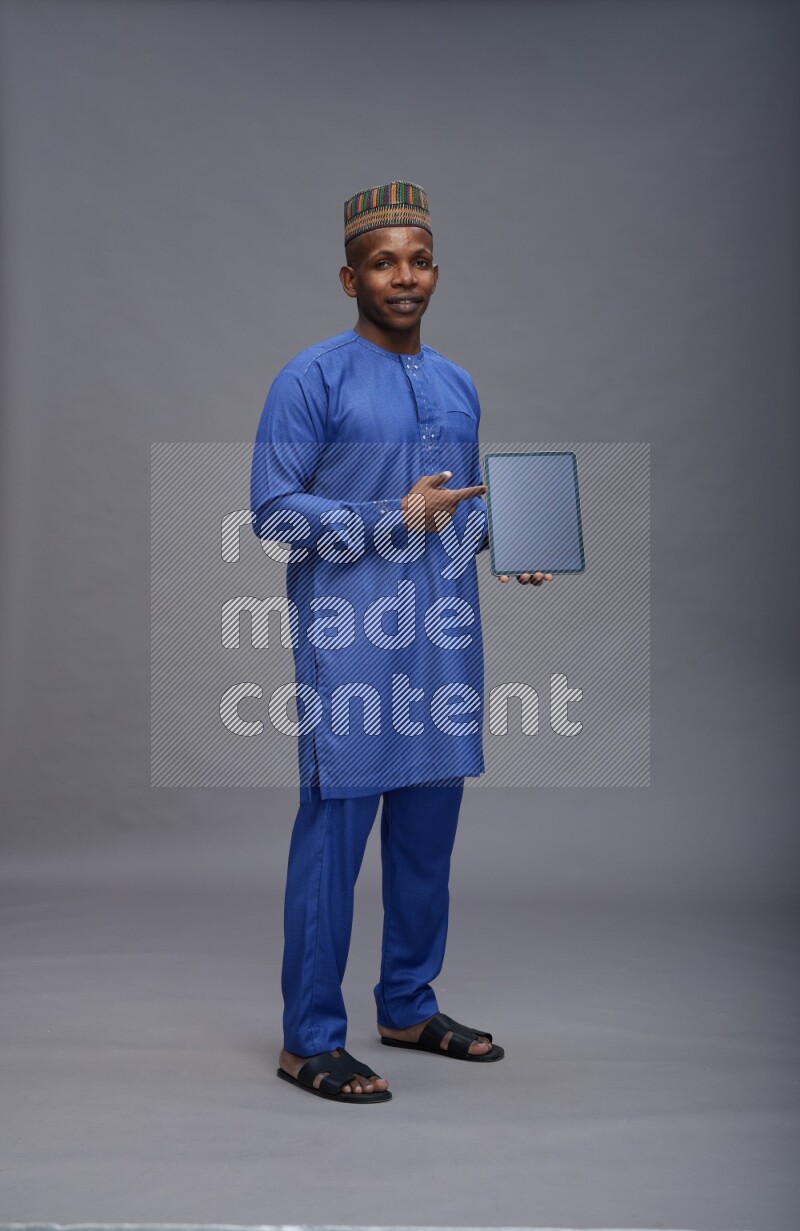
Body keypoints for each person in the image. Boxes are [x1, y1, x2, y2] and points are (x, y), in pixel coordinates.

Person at [250, 181, 552, 1104]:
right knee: (332, 850)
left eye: (419, 261)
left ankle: (409, 1007)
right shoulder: (312, 377)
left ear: (436, 272)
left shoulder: (457, 383)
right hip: (350, 648)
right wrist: (394, 516)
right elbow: (274, 511)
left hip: (443, 647)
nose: (404, 277)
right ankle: (309, 1040)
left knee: (426, 846)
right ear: (351, 278)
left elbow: (452, 511)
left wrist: (510, 537)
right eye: (384, 263)